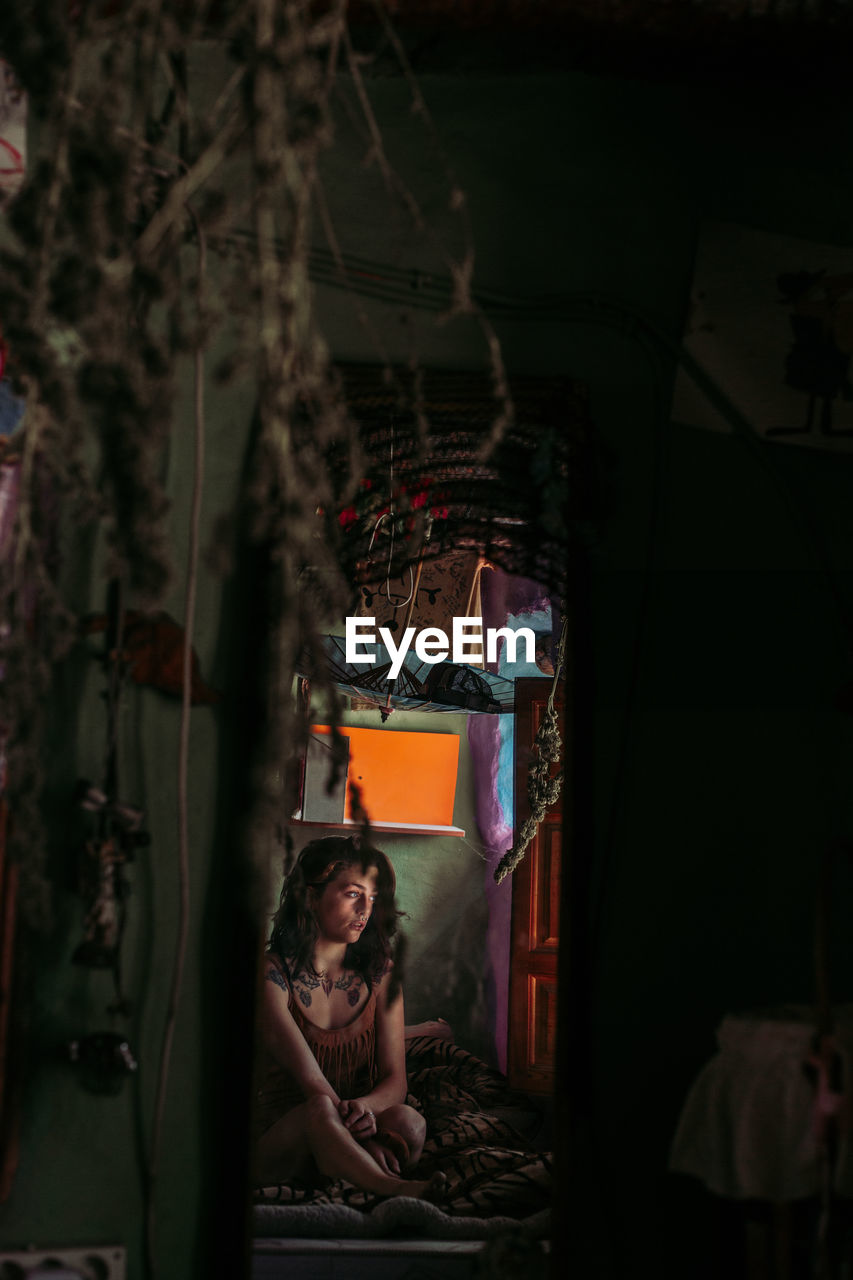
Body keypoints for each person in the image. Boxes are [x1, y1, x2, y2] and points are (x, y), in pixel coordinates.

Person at [254, 833, 445, 1200]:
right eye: (353, 893)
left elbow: (395, 1082)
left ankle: (352, 1170)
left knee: (410, 1122)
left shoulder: (380, 975)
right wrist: (362, 1143)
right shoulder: (271, 976)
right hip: (282, 1140)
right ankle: (390, 1187)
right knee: (320, 1108)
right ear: (311, 896)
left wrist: (365, 1110)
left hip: (353, 1123)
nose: (366, 910)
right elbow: (315, 1088)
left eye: (372, 898)